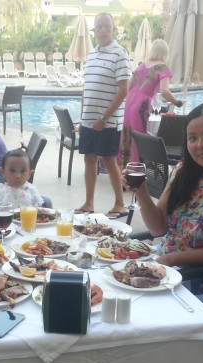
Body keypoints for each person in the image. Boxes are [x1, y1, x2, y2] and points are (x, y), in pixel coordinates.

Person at [135, 103, 203, 291]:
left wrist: (171, 259)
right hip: (164, 262)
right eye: (192, 138)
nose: (200, 145)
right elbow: (157, 229)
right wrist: (140, 189)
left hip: (201, 278)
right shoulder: (183, 170)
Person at [76, 12, 132, 219]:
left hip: (108, 122)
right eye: (99, 26)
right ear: (94, 30)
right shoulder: (91, 54)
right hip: (89, 120)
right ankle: (88, 203)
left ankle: (120, 204)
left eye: (107, 26)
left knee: (109, 161)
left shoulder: (120, 54)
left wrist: (104, 118)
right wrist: (83, 118)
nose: (103, 30)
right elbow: (86, 89)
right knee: (89, 160)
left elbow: (124, 90)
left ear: (114, 29)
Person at [120, 39, 183, 166]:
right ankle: (137, 167)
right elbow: (164, 92)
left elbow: (128, 87)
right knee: (139, 137)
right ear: (165, 52)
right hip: (142, 104)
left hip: (129, 102)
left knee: (127, 135)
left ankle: (124, 167)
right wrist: (177, 102)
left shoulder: (142, 66)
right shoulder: (163, 68)